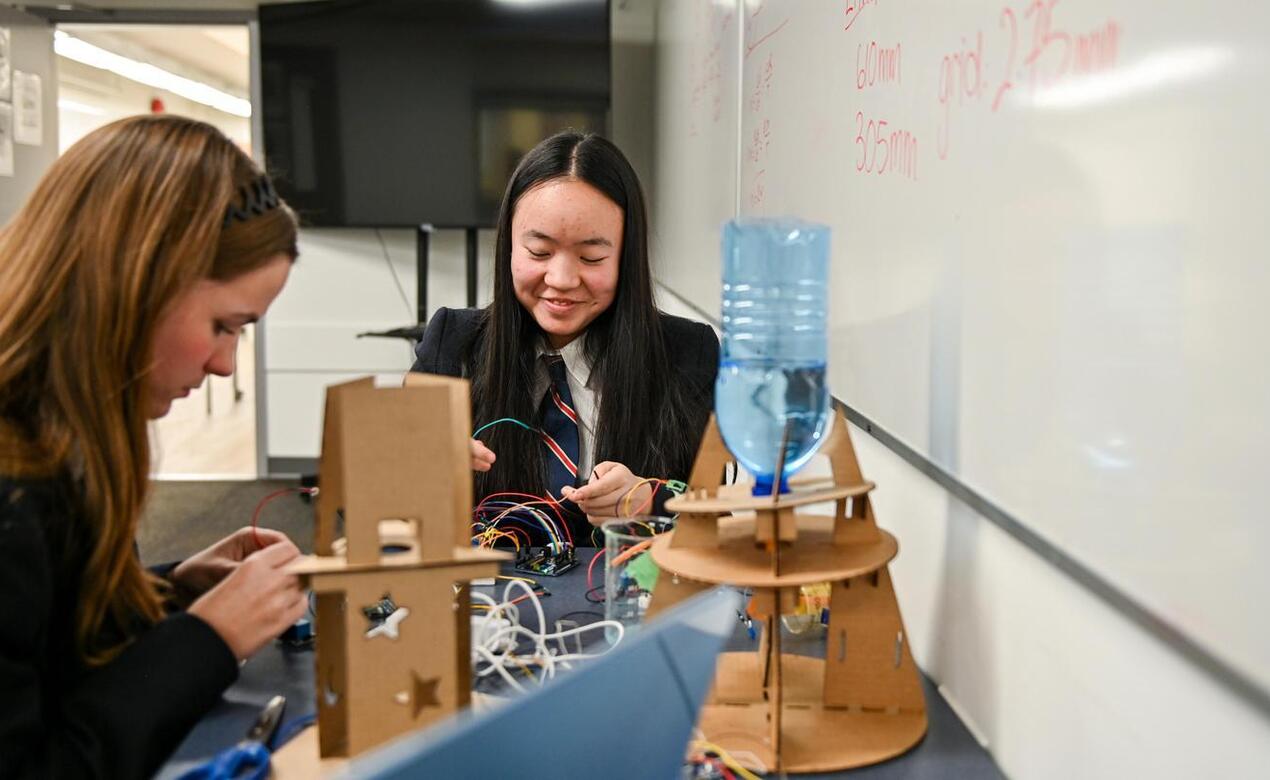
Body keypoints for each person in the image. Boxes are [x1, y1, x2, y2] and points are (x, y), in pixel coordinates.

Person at [0, 115, 308, 779]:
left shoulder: (53, 445)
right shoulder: (12, 496)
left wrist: (161, 594)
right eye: (224, 326)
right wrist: (207, 640)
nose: (226, 366)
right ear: (136, 285)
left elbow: (41, 640)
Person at [411, 131, 719, 544]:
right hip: (487, 602)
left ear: (626, 257)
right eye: (539, 252)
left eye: (591, 258)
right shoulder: (451, 344)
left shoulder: (688, 353)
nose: (561, 280)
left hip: (627, 600)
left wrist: (648, 501)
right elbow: (374, 508)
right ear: (509, 247)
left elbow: (718, 520)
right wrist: (417, 467)